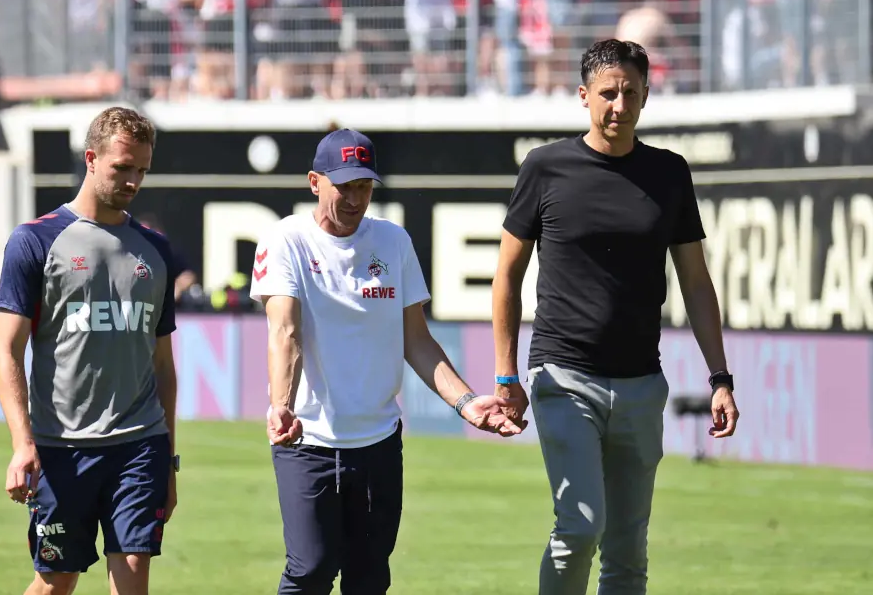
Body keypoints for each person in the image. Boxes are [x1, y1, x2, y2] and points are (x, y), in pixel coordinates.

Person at [490, 40, 740, 595]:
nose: (618, 104)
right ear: (584, 97)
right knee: (579, 528)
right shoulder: (545, 168)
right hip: (562, 377)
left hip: (640, 386)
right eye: (607, 93)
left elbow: (696, 282)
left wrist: (720, 378)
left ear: (646, 96)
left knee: (628, 550)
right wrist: (506, 376)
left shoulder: (669, 173)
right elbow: (507, 274)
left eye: (631, 92)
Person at [249, 128, 523, 595]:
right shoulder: (285, 240)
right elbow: (285, 331)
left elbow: (416, 341)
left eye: (364, 186)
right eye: (344, 186)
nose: (355, 198)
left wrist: (467, 402)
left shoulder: (393, 242)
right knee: (310, 570)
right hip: (307, 442)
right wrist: (282, 405)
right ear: (315, 182)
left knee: (370, 577)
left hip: (378, 444)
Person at [0, 106, 183, 595]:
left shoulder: (156, 251)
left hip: (140, 445)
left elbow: (163, 366)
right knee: (56, 582)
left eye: (143, 169)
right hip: (62, 448)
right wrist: (22, 444)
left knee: (134, 575)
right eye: (123, 167)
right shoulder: (35, 241)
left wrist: (170, 459)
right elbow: (7, 351)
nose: (134, 180)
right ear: (91, 158)